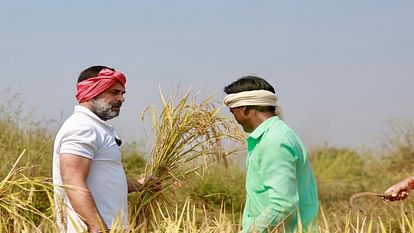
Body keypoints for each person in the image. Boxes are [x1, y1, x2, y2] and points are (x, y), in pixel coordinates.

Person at [52, 65, 158, 233]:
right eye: (114, 92)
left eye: (122, 93)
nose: (121, 99)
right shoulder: (82, 127)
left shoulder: (96, 127)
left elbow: (104, 181)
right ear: (92, 91)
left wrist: (140, 184)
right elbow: (73, 183)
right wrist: (98, 228)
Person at [223, 76, 319, 233]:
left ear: (244, 109)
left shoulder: (275, 141)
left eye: (232, 112)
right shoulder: (273, 136)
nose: (235, 119)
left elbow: (282, 204)